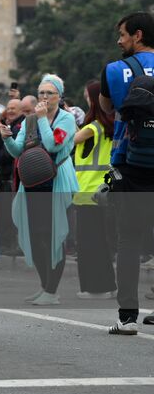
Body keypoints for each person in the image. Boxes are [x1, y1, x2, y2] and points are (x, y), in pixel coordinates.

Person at [0, 74, 77, 305]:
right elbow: (16, 151)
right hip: (33, 183)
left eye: (49, 93)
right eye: (41, 92)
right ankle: (45, 286)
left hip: (57, 182)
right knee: (36, 237)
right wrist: (7, 138)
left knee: (53, 236)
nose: (44, 97)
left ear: (59, 96)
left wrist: (43, 119)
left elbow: (54, 145)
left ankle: (52, 291)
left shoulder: (66, 119)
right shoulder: (29, 120)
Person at [101, 11, 154, 334]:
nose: (119, 41)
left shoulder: (116, 70)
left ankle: (127, 317)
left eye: (122, 35)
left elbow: (106, 109)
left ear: (137, 35)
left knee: (129, 240)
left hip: (132, 163)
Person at [72, 79, 116, 299]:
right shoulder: (110, 125)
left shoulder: (92, 128)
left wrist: (67, 118)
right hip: (101, 192)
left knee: (89, 244)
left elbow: (72, 139)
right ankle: (106, 286)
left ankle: (96, 288)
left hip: (88, 193)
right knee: (100, 242)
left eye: (87, 96)